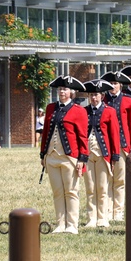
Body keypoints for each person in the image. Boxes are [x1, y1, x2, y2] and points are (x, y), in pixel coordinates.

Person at [39, 76, 88, 234]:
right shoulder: (50, 108)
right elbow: (46, 131)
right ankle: (60, 224)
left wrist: (82, 158)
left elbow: (82, 136)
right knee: (58, 192)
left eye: (65, 89)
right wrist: (43, 154)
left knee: (71, 191)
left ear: (71, 92)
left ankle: (72, 225)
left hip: (70, 157)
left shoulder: (79, 110)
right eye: (60, 89)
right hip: (52, 156)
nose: (62, 91)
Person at [80, 79, 120, 229]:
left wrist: (115, 156)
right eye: (91, 95)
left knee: (102, 188)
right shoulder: (84, 111)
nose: (94, 98)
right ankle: (92, 217)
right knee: (90, 187)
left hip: (103, 154)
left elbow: (114, 134)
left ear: (102, 96)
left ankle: (103, 217)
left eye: (96, 95)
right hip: (88, 154)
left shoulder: (109, 111)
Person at [100, 71, 131, 222]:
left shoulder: (128, 101)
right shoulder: (103, 100)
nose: (113, 86)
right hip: (105, 145)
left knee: (120, 180)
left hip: (122, 145)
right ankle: (106, 209)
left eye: (115, 83)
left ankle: (118, 210)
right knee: (106, 178)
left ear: (120, 85)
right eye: (110, 84)